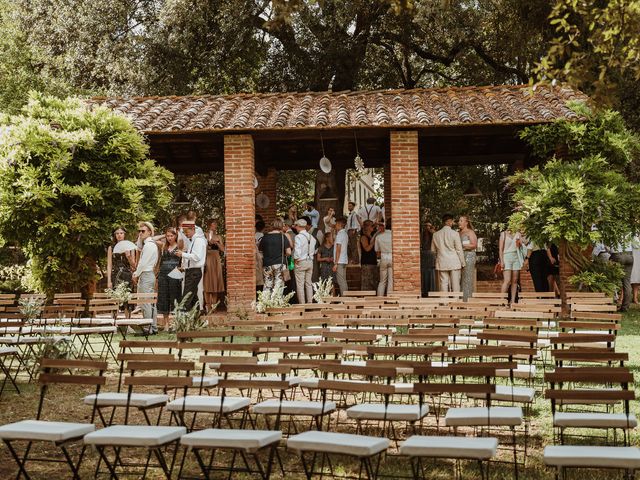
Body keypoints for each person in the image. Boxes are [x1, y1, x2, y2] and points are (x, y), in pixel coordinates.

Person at [132, 222, 158, 333]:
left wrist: (136, 274)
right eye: (139, 231)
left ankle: (148, 328)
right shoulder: (149, 244)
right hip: (148, 274)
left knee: (146, 302)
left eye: (143, 231)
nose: (140, 233)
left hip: (146, 274)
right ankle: (153, 327)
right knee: (150, 302)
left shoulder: (149, 245)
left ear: (149, 232)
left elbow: (143, 263)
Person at [176, 221, 207, 311]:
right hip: (191, 271)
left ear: (193, 229)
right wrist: (184, 266)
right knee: (193, 298)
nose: (185, 234)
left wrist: (182, 254)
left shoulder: (199, 240)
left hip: (194, 272)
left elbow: (196, 257)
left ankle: (185, 319)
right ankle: (196, 318)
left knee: (186, 297)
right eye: (184, 232)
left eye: (187, 231)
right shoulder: (193, 240)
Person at [156, 227, 182, 331]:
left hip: (175, 274)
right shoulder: (163, 246)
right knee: (164, 298)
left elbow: (183, 260)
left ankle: (175, 323)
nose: (169, 238)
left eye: (171, 235)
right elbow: (152, 239)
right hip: (163, 274)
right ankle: (166, 324)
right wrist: (163, 235)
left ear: (175, 236)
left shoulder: (180, 246)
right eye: (168, 236)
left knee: (175, 297)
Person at [432, 214, 465, 292]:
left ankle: (444, 302)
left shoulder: (435, 234)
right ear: (449, 221)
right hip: (454, 262)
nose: (453, 223)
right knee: (455, 284)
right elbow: (459, 250)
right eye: (452, 221)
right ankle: (456, 302)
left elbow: (433, 250)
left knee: (443, 283)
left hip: (442, 261)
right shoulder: (455, 234)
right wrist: (463, 263)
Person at [258, 218, 291, 294]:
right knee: (278, 284)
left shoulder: (265, 237)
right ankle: (276, 302)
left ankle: (266, 302)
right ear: (281, 226)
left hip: (267, 264)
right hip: (280, 263)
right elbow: (288, 252)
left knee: (267, 283)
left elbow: (260, 253)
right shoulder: (283, 237)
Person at [499, 229, 527, 304]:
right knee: (507, 280)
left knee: (515, 281)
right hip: (506, 257)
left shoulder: (518, 233)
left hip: (516, 257)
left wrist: (521, 240)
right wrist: (502, 261)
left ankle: (513, 301)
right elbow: (500, 249)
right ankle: (501, 301)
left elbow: (524, 244)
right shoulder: (503, 234)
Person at [293, 219, 317, 304]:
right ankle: (310, 303)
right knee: (308, 283)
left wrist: (295, 260)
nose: (295, 228)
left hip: (301, 261)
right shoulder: (312, 237)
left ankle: (302, 305)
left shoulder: (298, 237)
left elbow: (297, 251)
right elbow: (314, 251)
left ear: (298, 226)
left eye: (296, 226)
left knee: (300, 285)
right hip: (310, 261)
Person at [204, 219, 225, 311]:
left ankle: (214, 305)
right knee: (207, 280)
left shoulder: (219, 236)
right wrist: (208, 242)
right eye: (213, 225)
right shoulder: (205, 235)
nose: (214, 226)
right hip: (208, 257)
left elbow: (223, 249)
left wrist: (216, 243)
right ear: (209, 225)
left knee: (215, 280)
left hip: (216, 258)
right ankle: (207, 305)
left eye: (215, 225)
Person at [610, 238, 634, 312]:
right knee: (627, 282)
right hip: (629, 255)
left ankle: (609, 304)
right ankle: (625, 307)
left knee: (610, 280)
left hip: (617, 254)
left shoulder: (612, 228)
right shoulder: (630, 228)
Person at [458, 215, 478, 301]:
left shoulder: (470, 232)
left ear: (466, 223)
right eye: (459, 220)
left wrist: (462, 246)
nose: (459, 222)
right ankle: (460, 298)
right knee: (460, 278)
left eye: (461, 221)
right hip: (459, 256)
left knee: (467, 278)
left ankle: (467, 300)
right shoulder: (458, 233)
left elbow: (474, 245)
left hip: (469, 256)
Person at [375, 219, 393, 296]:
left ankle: (380, 298)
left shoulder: (379, 236)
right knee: (391, 280)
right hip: (392, 258)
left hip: (383, 257)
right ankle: (390, 299)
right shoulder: (394, 235)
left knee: (382, 281)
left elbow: (376, 250)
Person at [360, 220, 379, 291]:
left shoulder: (371, 236)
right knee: (366, 284)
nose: (373, 227)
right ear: (367, 227)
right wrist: (373, 242)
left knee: (373, 284)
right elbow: (367, 249)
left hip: (373, 262)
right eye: (372, 225)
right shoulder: (363, 237)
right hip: (366, 263)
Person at [332, 217, 349, 295]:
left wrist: (336, 263)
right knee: (343, 280)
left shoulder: (340, 234)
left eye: (336, 224)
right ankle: (346, 297)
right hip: (344, 260)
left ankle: (344, 299)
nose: (335, 225)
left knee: (341, 281)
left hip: (340, 261)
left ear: (339, 224)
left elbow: (338, 249)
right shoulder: (345, 234)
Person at [420, 221, 436, 296]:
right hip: (426, 253)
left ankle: (430, 291)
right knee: (425, 273)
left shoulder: (431, 233)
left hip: (429, 253)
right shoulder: (422, 234)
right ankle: (426, 291)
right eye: (426, 226)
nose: (427, 227)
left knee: (430, 273)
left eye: (428, 226)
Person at [255, 220, 266, 292]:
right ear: (263, 228)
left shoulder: (253, 236)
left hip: (255, 256)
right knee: (262, 276)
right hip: (261, 256)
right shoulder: (264, 237)